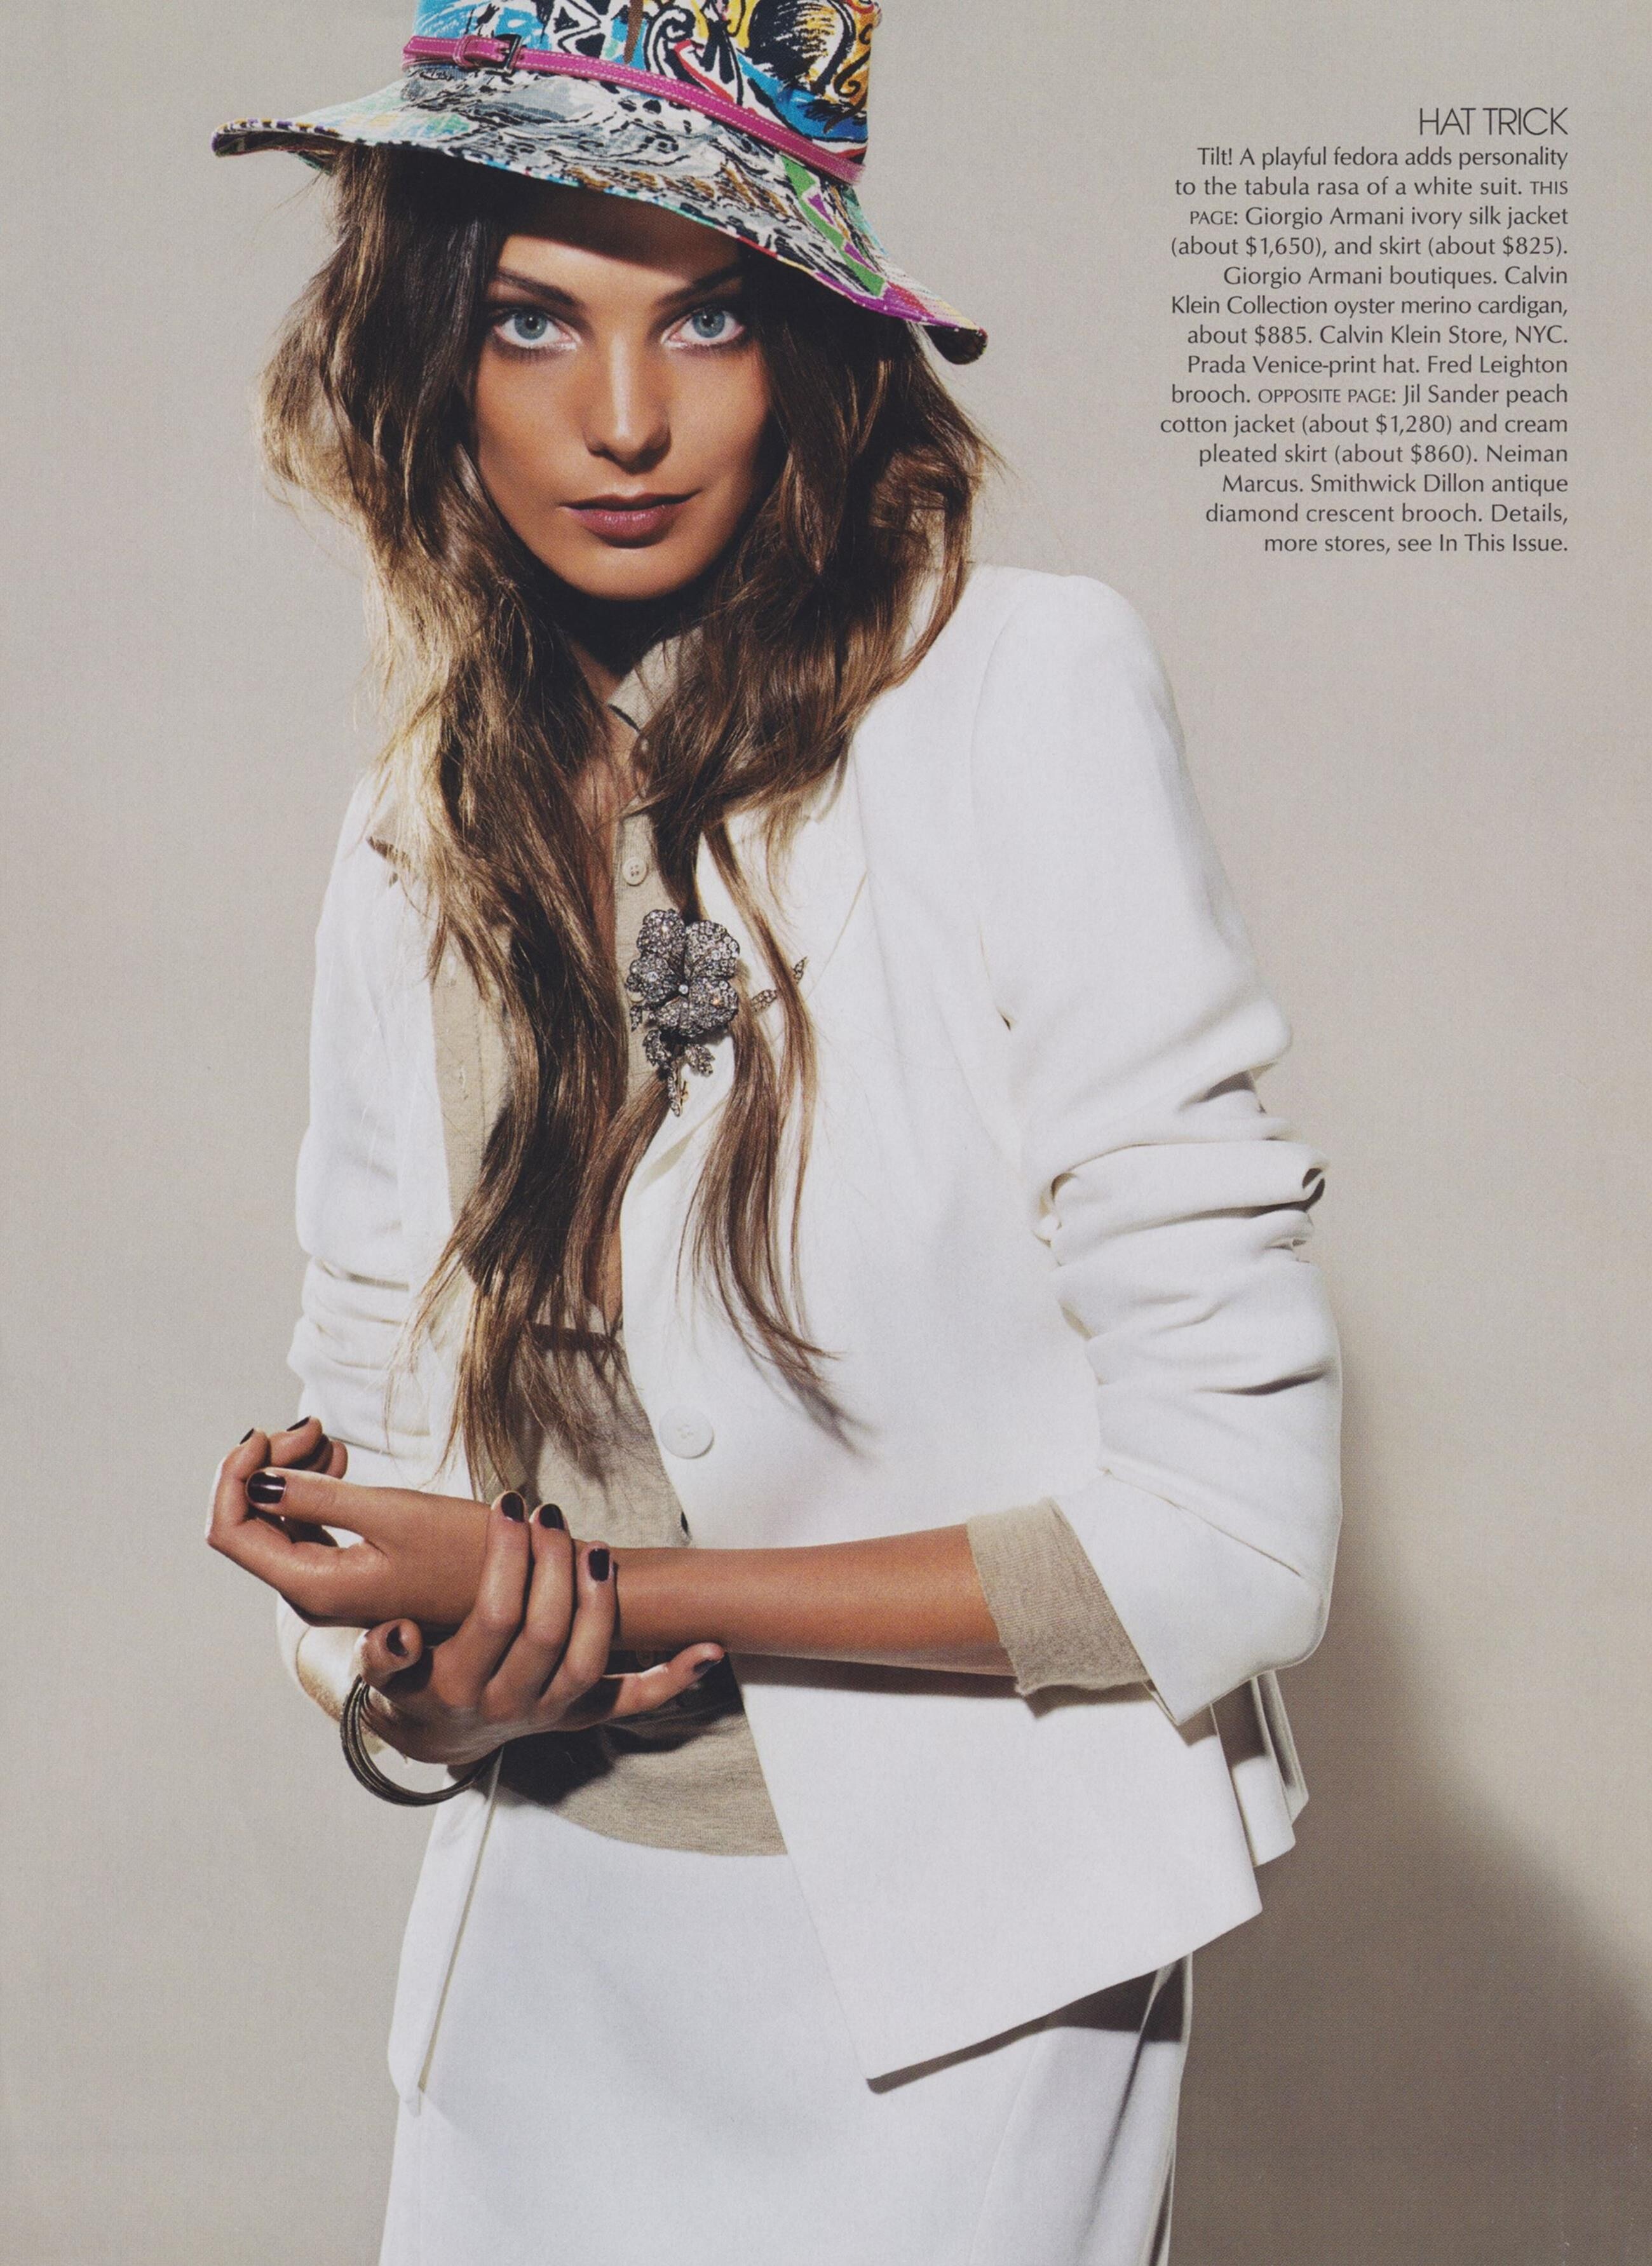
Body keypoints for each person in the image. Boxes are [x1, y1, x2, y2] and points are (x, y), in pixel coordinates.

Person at [207, 8, 1342, 2262]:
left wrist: (613, 1600)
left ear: (815, 350)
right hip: (538, 1971)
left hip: (968, 1984)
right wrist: (420, 1678)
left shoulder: (1018, 698)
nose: (624, 417)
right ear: (426, 351)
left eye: (708, 317)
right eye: (533, 317)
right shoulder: (417, 823)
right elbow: (388, 1434)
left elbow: (1235, 1541)